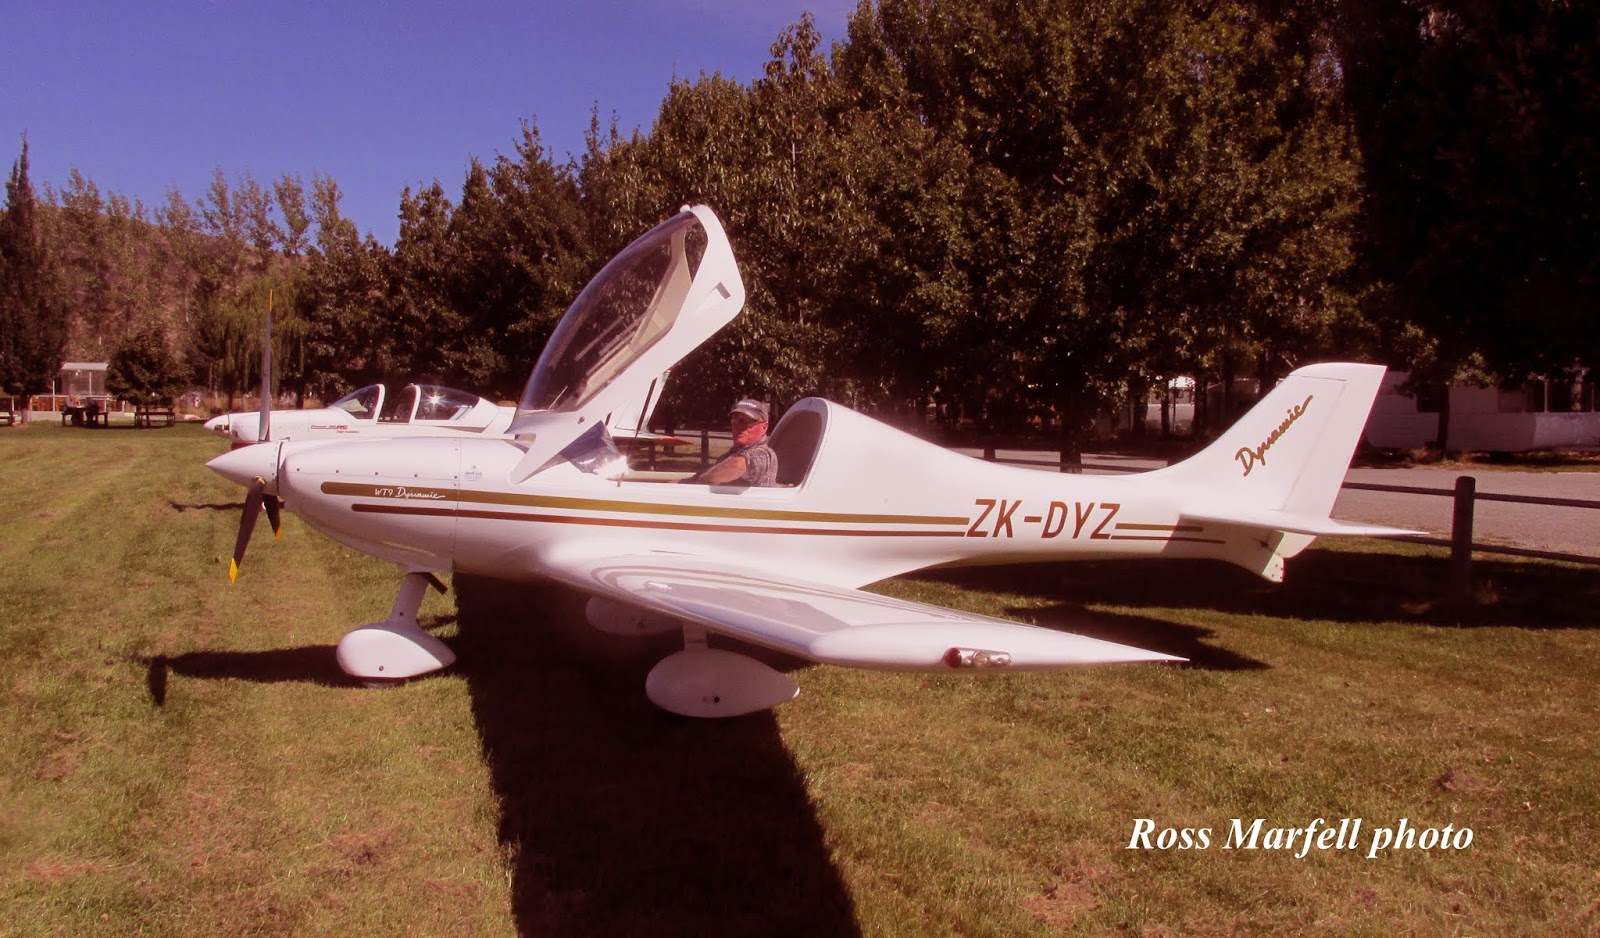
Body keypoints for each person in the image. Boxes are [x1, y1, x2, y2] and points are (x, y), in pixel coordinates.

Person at [682, 399, 778, 486]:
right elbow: (695, 480)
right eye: (735, 420)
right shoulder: (729, 456)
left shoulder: (765, 454)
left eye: (745, 421)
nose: (738, 426)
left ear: (764, 427)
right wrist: (670, 484)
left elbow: (738, 466)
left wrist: (703, 480)